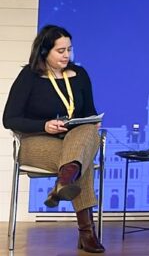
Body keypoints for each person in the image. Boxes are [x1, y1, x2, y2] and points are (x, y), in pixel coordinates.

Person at [3, 25, 105, 253]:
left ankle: (65, 179)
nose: (67, 55)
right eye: (60, 51)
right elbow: (9, 119)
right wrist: (44, 125)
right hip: (36, 141)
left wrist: (93, 122)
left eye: (69, 49)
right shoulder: (29, 76)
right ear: (44, 51)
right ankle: (87, 232)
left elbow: (89, 112)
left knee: (87, 134)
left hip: (74, 139)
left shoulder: (80, 75)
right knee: (81, 162)